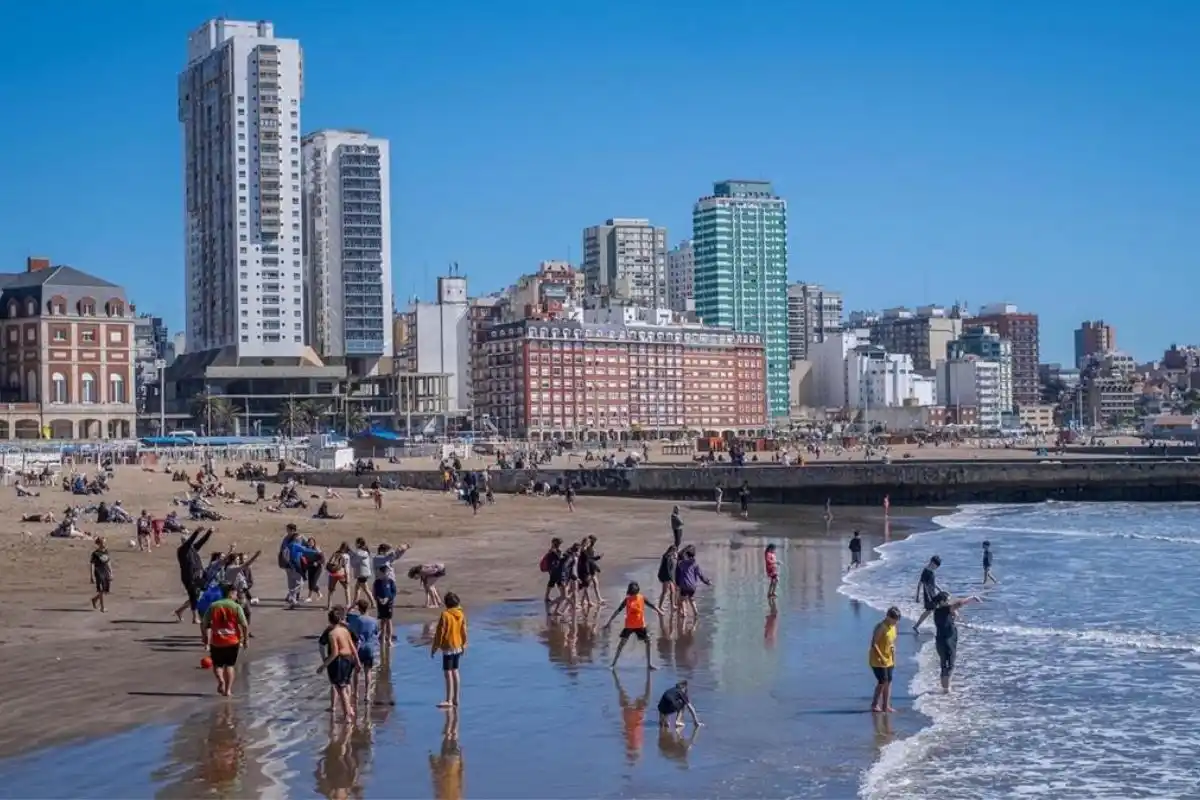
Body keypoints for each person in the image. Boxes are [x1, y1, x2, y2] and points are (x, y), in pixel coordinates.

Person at [202, 583, 249, 697]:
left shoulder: (213, 606)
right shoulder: (236, 606)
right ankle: (228, 690)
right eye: (235, 593)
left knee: (218, 665)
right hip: (232, 640)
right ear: (231, 593)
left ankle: (221, 681)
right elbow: (244, 625)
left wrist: (205, 637)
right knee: (229, 665)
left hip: (217, 640)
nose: (236, 596)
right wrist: (246, 639)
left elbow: (205, 623)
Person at [605, 581, 664, 671]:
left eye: (634, 593)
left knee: (648, 641)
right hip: (629, 626)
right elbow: (618, 610)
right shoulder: (627, 600)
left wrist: (659, 611)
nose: (633, 595)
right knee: (621, 644)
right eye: (632, 593)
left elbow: (652, 605)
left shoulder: (641, 598)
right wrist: (609, 622)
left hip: (640, 625)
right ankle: (613, 664)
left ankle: (649, 664)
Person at [317, 606, 361, 722]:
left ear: (330, 620)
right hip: (349, 659)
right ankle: (350, 710)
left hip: (339, 661)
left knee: (340, 688)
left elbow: (335, 652)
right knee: (345, 685)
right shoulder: (345, 630)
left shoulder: (332, 634)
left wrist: (324, 665)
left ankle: (347, 715)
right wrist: (357, 661)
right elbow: (352, 647)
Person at [932, 591, 981, 693]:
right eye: (948, 600)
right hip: (947, 641)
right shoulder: (944, 609)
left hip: (941, 640)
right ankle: (946, 690)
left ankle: (945, 688)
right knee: (950, 665)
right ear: (942, 602)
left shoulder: (938, 611)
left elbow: (953, 611)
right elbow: (959, 603)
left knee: (944, 665)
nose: (950, 602)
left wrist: (955, 615)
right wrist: (972, 597)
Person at [431, 592, 467, 709]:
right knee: (455, 671)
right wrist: (464, 644)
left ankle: (449, 700)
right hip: (458, 645)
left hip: (448, 646)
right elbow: (464, 630)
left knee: (448, 672)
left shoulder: (445, 615)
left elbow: (440, 632)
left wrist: (435, 646)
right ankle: (456, 698)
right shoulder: (461, 614)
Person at [174, 526, 214, 623]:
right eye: (185, 541)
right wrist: (196, 531)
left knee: (204, 593)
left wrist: (209, 532)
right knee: (193, 596)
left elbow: (201, 542)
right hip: (189, 577)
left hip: (198, 576)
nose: (188, 543)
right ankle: (195, 618)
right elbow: (189, 542)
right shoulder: (182, 550)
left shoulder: (192, 549)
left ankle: (180, 610)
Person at [345, 598, 381, 705]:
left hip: (359, 647)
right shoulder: (374, 620)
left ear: (359, 608)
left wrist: (352, 605)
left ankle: (355, 693)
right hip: (370, 647)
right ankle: (367, 694)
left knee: (356, 671)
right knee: (368, 671)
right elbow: (376, 632)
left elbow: (346, 615)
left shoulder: (356, 619)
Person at [869, 606, 901, 713]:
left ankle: (885, 706)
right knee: (882, 681)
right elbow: (874, 644)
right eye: (894, 620)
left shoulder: (893, 627)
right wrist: (881, 657)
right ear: (888, 617)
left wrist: (893, 656)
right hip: (877, 659)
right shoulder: (881, 627)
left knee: (889, 681)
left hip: (889, 658)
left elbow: (891, 643)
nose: (895, 623)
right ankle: (874, 704)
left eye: (897, 621)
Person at [674, 546, 712, 621]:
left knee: (682, 600)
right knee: (691, 599)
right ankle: (695, 613)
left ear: (687, 555)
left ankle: (684, 613)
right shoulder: (695, 565)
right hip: (692, 586)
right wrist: (707, 582)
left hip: (684, 585)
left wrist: (677, 557)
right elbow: (701, 575)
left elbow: (678, 569)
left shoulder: (682, 563)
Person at [912, 556, 943, 633]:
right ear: (932, 563)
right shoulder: (926, 571)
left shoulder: (932, 571)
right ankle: (939, 627)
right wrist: (917, 596)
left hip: (933, 593)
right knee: (932, 610)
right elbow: (920, 584)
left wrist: (940, 589)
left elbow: (933, 583)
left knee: (930, 611)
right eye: (936, 566)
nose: (936, 568)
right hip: (928, 595)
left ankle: (916, 626)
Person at [373, 568, 398, 645]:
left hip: (389, 603)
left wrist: (388, 598)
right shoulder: (377, 582)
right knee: (382, 621)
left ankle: (389, 639)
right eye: (383, 573)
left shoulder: (390, 582)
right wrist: (379, 599)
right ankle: (383, 639)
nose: (385, 575)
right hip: (380, 603)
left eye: (386, 573)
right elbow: (374, 593)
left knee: (388, 620)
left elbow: (394, 593)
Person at [349, 537, 375, 609]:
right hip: (362, 573)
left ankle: (373, 603)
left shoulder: (361, 552)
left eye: (356, 543)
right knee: (357, 588)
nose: (355, 544)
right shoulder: (363, 552)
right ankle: (354, 604)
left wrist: (349, 552)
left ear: (358, 544)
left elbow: (355, 560)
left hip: (362, 573)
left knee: (365, 589)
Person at [325, 542, 351, 610]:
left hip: (332, 574)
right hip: (341, 574)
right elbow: (346, 567)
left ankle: (329, 605)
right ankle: (348, 604)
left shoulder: (335, 553)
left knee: (331, 590)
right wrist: (348, 577)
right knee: (346, 588)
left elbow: (329, 563)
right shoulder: (346, 556)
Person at [89, 536, 112, 612]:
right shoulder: (95, 553)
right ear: (99, 544)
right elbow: (92, 564)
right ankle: (102, 607)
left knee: (105, 590)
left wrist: (111, 572)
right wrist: (91, 576)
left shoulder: (106, 551)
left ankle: (95, 599)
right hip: (98, 571)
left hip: (106, 571)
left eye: (105, 543)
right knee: (101, 589)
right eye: (103, 543)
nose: (104, 544)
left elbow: (108, 562)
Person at [540, 537, 563, 604]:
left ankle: (547, 597)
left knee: (552, 582)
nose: (559, 544)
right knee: (554, 582)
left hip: (554, 569)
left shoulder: (554, 550)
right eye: (559, 543)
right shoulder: (553, 551)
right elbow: (558, 558)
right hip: (554, 569)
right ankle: (561, 594)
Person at [656, 544, 678, 611]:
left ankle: (673, 606)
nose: (675, 553)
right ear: (672, 550)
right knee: (665, 591)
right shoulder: (667, 557)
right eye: (675, 551)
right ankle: (660, 606)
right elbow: (668, 569)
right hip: (666, 577)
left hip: (669, 577)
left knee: (673, 591)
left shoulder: (668, 557)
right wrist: (671, 579)